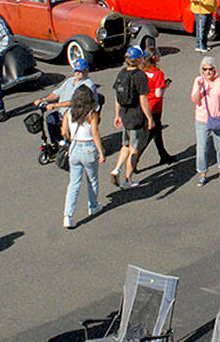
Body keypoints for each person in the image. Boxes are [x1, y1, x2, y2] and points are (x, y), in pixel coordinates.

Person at [111, 46, 154, 189]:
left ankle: (116, 168)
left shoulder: (121, 73)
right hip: (136, 117)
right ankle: (128, 180)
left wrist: (117, 115)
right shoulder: (140, 75)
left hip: (124, 115)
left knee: (125, 145)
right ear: (139, 59)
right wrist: (150, 118)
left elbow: (117, 97)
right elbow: (143, 99)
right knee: (134, 149)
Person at [62, 85, 105, 228]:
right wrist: (101, 151)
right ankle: (93, 206)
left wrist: (70, 139)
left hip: (74, 148)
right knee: (92, 180)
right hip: (88, 148)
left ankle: (68, 215)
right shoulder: (92, 113)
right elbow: (95, 133)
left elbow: (64, 132)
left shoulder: (69, 112)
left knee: (74, 183)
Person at [190, 55, 220, 186]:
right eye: (204, 69)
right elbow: (194, 100)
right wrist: (199, 88)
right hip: (202, 119)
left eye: (210, 69)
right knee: (202, 148)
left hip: (218, 119)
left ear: (215, 69)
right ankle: (202, 173)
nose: (207, 72)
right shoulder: (198, 80)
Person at [33, 58, 100, 142]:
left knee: (69, 130)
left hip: (77, 114)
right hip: (63, 112)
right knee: (50, 119)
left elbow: (75, 102)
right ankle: (57, 143)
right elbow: (57, 93)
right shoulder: (70, 81)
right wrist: (44, 100)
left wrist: (55, 105)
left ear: (86, 70)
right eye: (76, 71)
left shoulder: (88, 85)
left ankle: (69, 144)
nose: (77, 73)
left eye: (80, 71)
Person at [141, 49, 176, 166]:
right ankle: (134, 158)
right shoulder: (158, 74)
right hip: (155, 106)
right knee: (151, 133)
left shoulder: (142, 71)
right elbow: (158, 94)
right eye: (157, 53)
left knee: (157, 131)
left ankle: (163, 154)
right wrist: (165, 86)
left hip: (143, 104)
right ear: (154, 58)